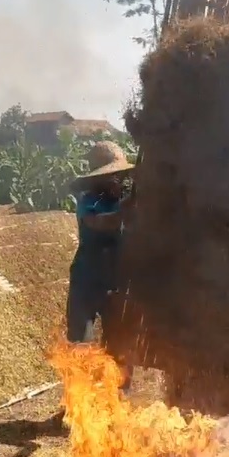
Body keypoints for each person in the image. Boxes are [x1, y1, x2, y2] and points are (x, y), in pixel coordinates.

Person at [66, 140, 136, 390]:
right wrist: (124, 214)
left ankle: (119, 402)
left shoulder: (127, 201)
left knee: (120, 344)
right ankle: (79, 401)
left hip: (115, 280)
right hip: (87, 280)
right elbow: (97, 223)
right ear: (98, 180)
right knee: (81, 345)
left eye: (119, 176)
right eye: (111, 177)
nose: (117, 181)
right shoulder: (89, 201)